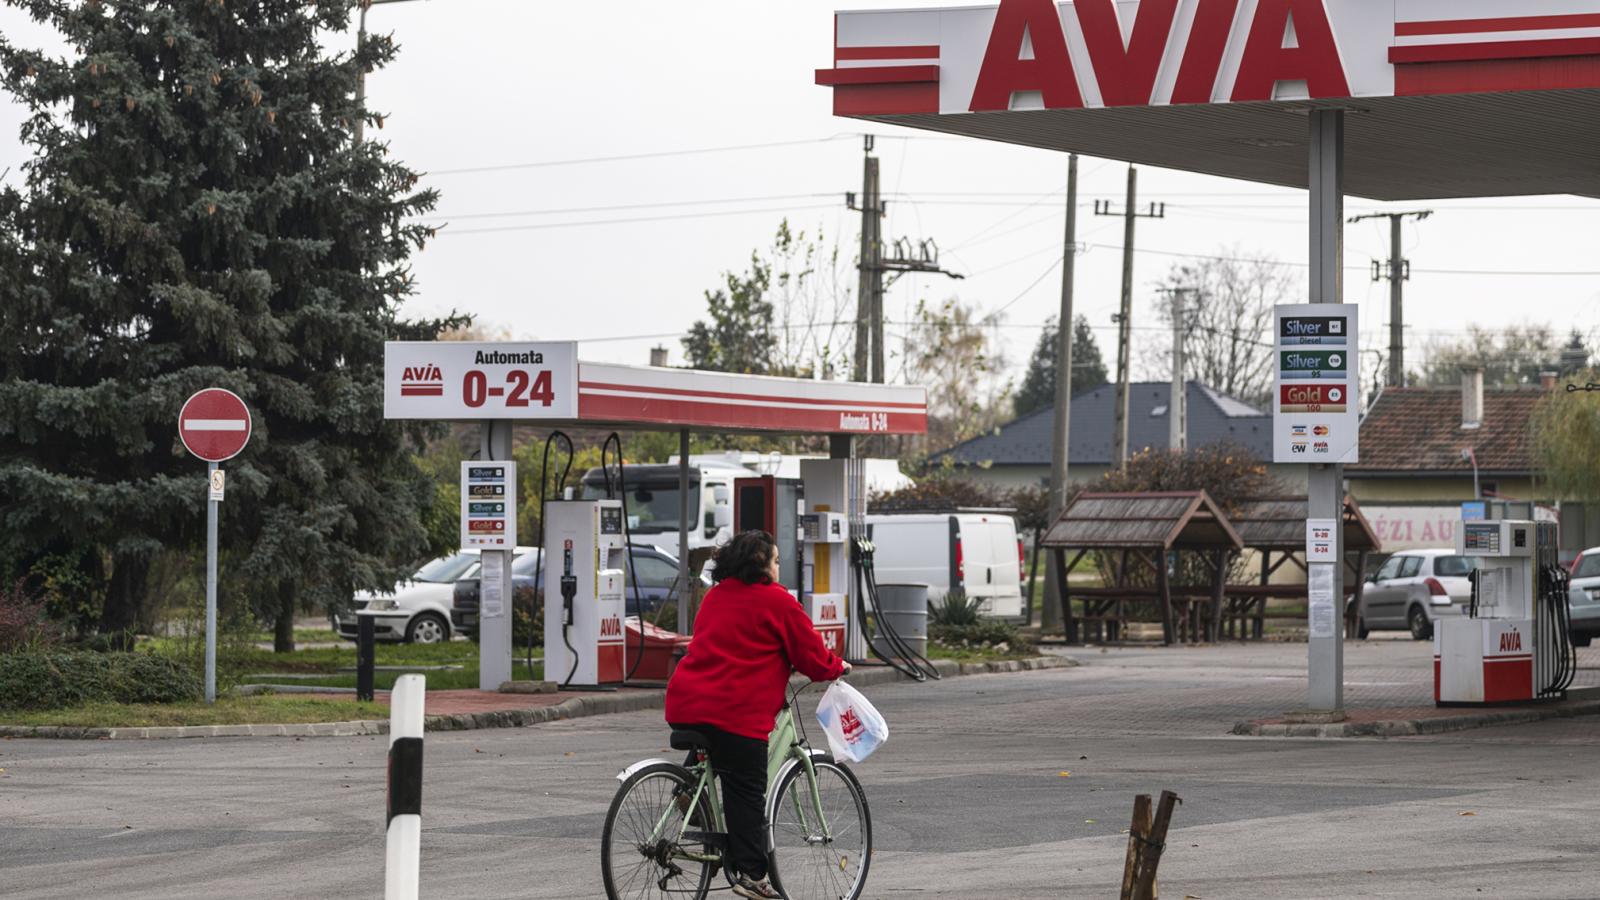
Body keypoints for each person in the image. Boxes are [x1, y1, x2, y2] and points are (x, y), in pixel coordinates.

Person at [664, 530, 851, 900]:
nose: (779, 567)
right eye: (776, 560)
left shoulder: (716, 596)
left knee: (715, 744)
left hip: (686, 703)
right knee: (746, 787)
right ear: (760, 564)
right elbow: (811, 656)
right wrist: (836, 667)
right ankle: (751, 874)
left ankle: (689, 789)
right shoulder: (778, 602)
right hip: (737, 713)